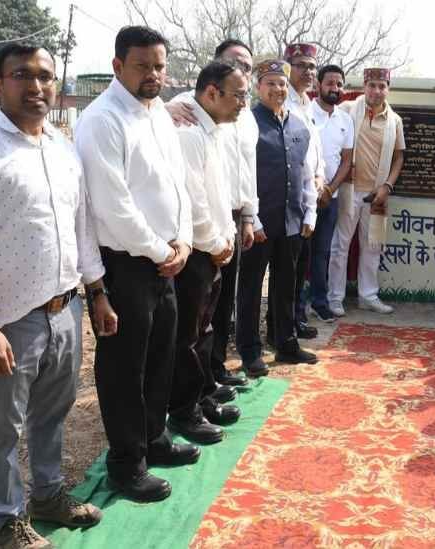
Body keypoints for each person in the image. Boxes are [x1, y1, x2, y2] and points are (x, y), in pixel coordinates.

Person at [0, 43, 113, 548]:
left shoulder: (62, 148)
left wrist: (96, 293)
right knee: (4, 428)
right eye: (22, 75)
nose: (36, 86)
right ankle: (8, 520)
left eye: (45, 76)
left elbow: (81, 230)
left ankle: (49, 495)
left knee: (52, 414)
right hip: (10, 318)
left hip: (65, 307)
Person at [75, 26, 198, 503]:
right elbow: (113, 206)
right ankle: (126, 464)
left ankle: (154, 438)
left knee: (161, 356)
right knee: (125, 368)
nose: (153, 75)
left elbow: (176, 184)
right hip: (126, 263)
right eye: (142, 65)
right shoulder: (101, 120)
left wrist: (182, 241)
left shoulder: (157, 114)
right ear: (117, 66)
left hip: (166, 260)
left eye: (159, 66)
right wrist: (161, 251)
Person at [167, 39, 265, 380]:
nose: (242, 70)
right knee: (195, 312)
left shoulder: (244, 115)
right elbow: (194, 188)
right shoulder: (188, 107)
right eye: (234, 63)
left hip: (231, 218)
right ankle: (198, 383)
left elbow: (247, 169)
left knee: (220, 303)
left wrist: (249, 216)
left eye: (247, 67)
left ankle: (215, 370)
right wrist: (162, 110)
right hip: (201, 228)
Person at [167, 61, 251, 446]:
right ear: (212, 93)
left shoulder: (213, 129)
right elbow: (194, 202)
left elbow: (219, 194)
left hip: (214, 246)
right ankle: (184, 411)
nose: (243, 104)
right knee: (187, 337)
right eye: (239, 95)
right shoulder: (188, 134)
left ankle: (201, 398)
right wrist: (216, 242)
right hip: (198, 252)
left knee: (204, 330)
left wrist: (226, 236)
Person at [236, 59, 319, 372]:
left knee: (286, 286)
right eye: (270, 83)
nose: (277, 89)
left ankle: (285, 343)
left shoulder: (299, 125)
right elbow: (242, 175)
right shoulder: (246, 122)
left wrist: (310, 212)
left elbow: (306, 172)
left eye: (282, 83)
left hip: (292, 221)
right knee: (250, 288)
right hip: (259, 222)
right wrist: (251, 218)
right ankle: (249, 351)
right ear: (258, 87)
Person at [327, 68, 405, 316]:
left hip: (376, 194)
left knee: (373, 246)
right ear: (364, 86)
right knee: (340, 246)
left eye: (382, 86)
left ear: (388, 89)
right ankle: (335, 298)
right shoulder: (347, 110)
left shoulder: (394, 120)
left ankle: (368, 296)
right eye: (372, 85)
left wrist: (387, 186)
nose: (376, 91)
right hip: (349, 190)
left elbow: (399, 157)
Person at [278, 42, 327, 339]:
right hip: (291, 195)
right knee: (288, 268)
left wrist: (320, 175)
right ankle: (283, 326)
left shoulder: (308, 104)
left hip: (310, 194)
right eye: (301, 66)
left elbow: (314, 149)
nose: (308, 72)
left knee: (301, 264)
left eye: (312, 67)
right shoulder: (283, 101)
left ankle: (296, 317)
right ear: (288, 69)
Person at [305, 64, 355, 322]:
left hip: (330, 198)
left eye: (339, 84)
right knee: (299, 254)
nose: (334, 88)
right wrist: (314, 188)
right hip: (303, 196)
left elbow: (346, 161)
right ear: (319, 85)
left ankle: (319, 302)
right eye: (330, 83)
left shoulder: (345, 120)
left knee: (322, 252)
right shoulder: (304, 111)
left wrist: (329, 189)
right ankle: (295, 307)